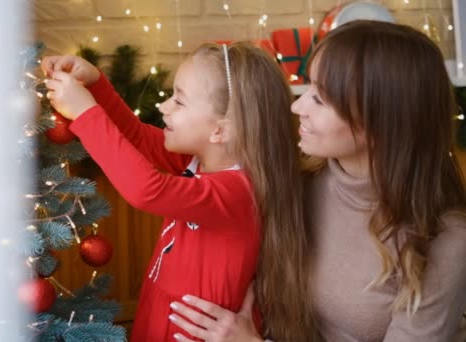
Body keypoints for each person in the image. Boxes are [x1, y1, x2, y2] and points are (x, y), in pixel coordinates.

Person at [168, 20, 466, 341]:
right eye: (308, 88)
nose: (298, 107)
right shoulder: (301, 181)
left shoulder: (443, 241)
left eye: (320, 99)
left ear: (381, 122)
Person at [40, 42, 309, 340]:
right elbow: (137, 137)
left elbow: (146, 190)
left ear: (220, 130)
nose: (163, 106)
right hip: (160, 316)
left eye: (179, 101)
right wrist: (96, 85)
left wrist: (85, 113)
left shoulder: (239, 191)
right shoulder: (199, 158)